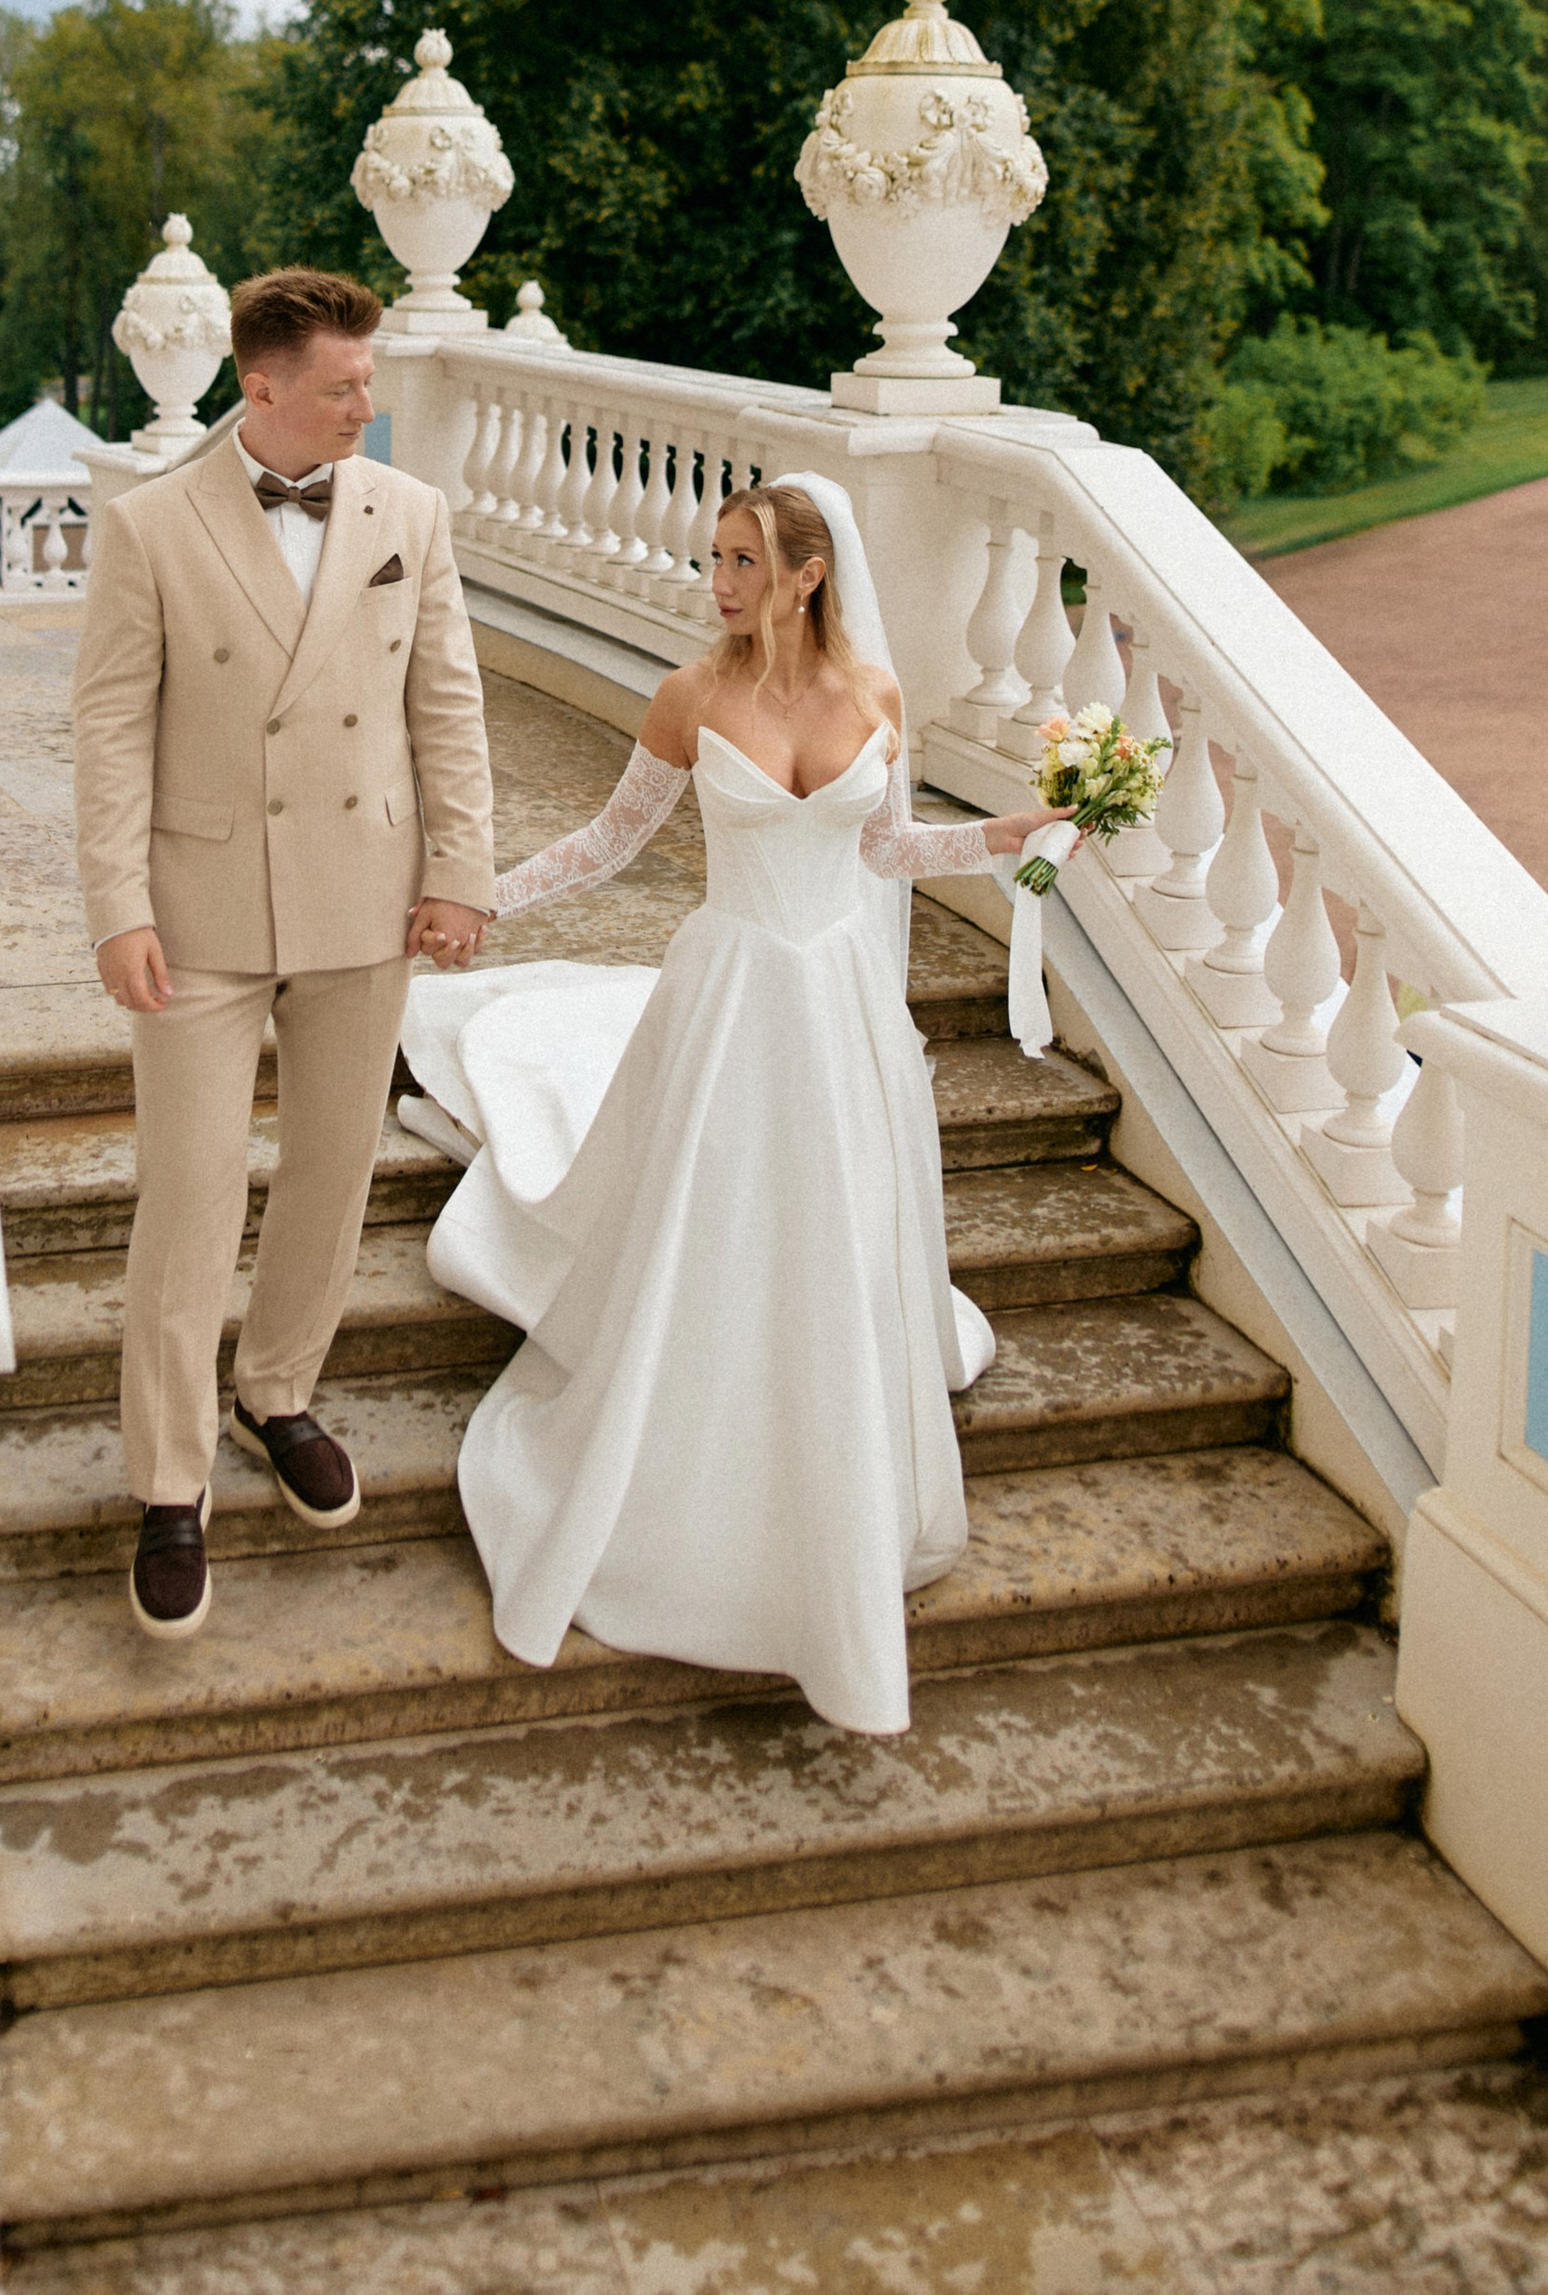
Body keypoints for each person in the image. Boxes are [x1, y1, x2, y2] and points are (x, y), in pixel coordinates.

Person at [400, 471, 1056, 1736]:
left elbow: (885, 852)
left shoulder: (876, 695)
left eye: (741, 560)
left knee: (832, 1236)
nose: (718, 582)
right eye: (715, 558)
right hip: (730, 990)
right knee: (716, 1224)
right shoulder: (691, 696)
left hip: (838, 1004)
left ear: (807, 574)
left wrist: (1018, 831)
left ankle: (835, 1479)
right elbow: (607, 844)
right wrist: (475, 899)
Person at [73, 265, 497, 1642]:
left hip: (363, 894)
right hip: (195, 908)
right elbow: (106, 734)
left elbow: (450, 708)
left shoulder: (409, 515)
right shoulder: (147, 528)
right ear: (261, 388)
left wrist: (461, 874)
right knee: (190, 1192)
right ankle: (168, 1481)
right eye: (341, 387)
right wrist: (116, 907)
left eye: (367, 383)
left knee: (331, 1168)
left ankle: (281, 1393)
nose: (366, 405)